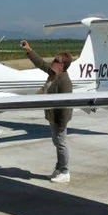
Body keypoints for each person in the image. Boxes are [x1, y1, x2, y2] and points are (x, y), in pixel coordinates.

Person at [20, 40, 73, 183]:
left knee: (61, 144)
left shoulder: (64, 81)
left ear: (62, 65)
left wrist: (62, 124)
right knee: (57, 143)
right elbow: (41, 63)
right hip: (52, 116)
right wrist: (29, 50)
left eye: (56, 60)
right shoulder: (53, 73)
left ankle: (65, 172)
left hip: (59, 118)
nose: (53, 62)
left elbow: (66, 105)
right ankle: (58, 168)